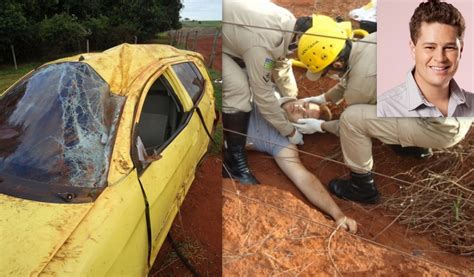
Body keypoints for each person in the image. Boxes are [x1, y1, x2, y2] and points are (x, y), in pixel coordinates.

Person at [296, 0, 472, 204]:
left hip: (442, 130)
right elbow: (353, 78)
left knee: (352, 119)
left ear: (336, 63)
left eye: (327, 71)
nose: (329, 75)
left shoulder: (360, 88)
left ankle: (362, 187)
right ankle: (414, 148)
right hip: (458, 109)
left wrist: (321, 125)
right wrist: (322, 98)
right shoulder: (371, 40)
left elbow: (350, 121)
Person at [222, 0, 313, 184]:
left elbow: (280, 63)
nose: (300, 109)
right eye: (305, 107)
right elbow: (263, 95)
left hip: (233, 23)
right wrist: (289, 131)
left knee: (250, 71)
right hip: (221, 32)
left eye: (305, 114)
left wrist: (291, 96)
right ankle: (234, 164)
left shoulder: (290, 23)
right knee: (238, 89)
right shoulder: (263, 47)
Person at [246, 102, 357, 233]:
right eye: (305, 104)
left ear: (305, 127)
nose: (300, 108)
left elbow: (303, 178)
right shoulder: (273, 92)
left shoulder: (282, 141)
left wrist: (338, 215)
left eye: (304, 115)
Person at [377, 0, 474, 117]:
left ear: (461, 50)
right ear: (413, 48)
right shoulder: (384, 110)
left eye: (449, 47)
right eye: (430, 47)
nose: (440, 58)